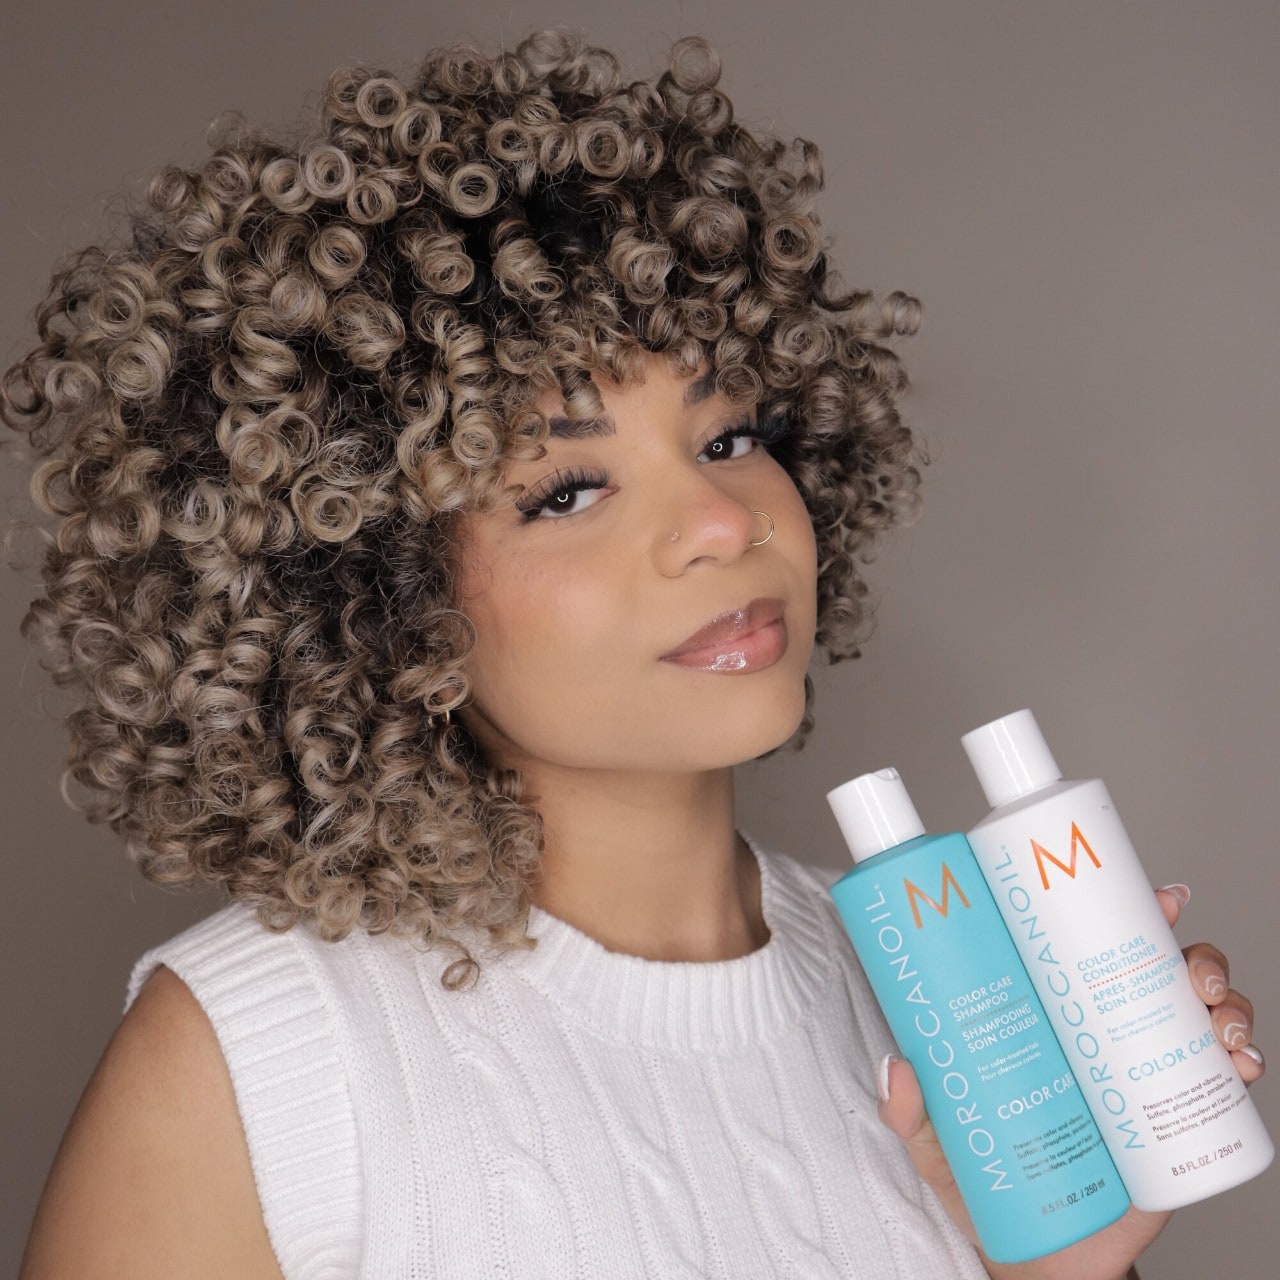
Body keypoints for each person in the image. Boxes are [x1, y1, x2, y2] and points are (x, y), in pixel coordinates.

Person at [4, 30, 1262, 1280]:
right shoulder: (255, 1056)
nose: (721, 522)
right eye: (565, 490)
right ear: (371, 601)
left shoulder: (947, 1002)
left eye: (729, 438)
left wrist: (1057, 1271)